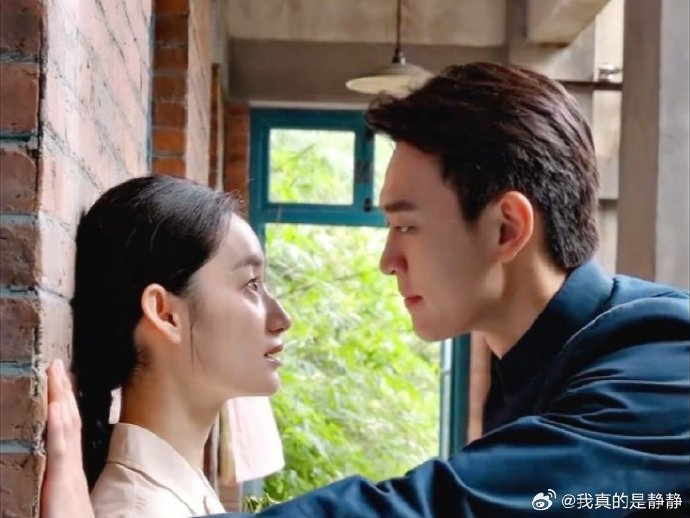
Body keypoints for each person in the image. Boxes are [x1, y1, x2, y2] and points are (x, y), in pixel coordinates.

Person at [41, 62, 689, 517]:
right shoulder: (535, 375)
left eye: (406, 225)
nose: (387, 260)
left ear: (506, 228)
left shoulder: (662, 367)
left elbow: (444, 508)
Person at [67, 176, 291, 517]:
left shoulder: (179, 490)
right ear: (165, 313)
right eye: (251, 284)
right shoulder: (140, 510)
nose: (282, 318)